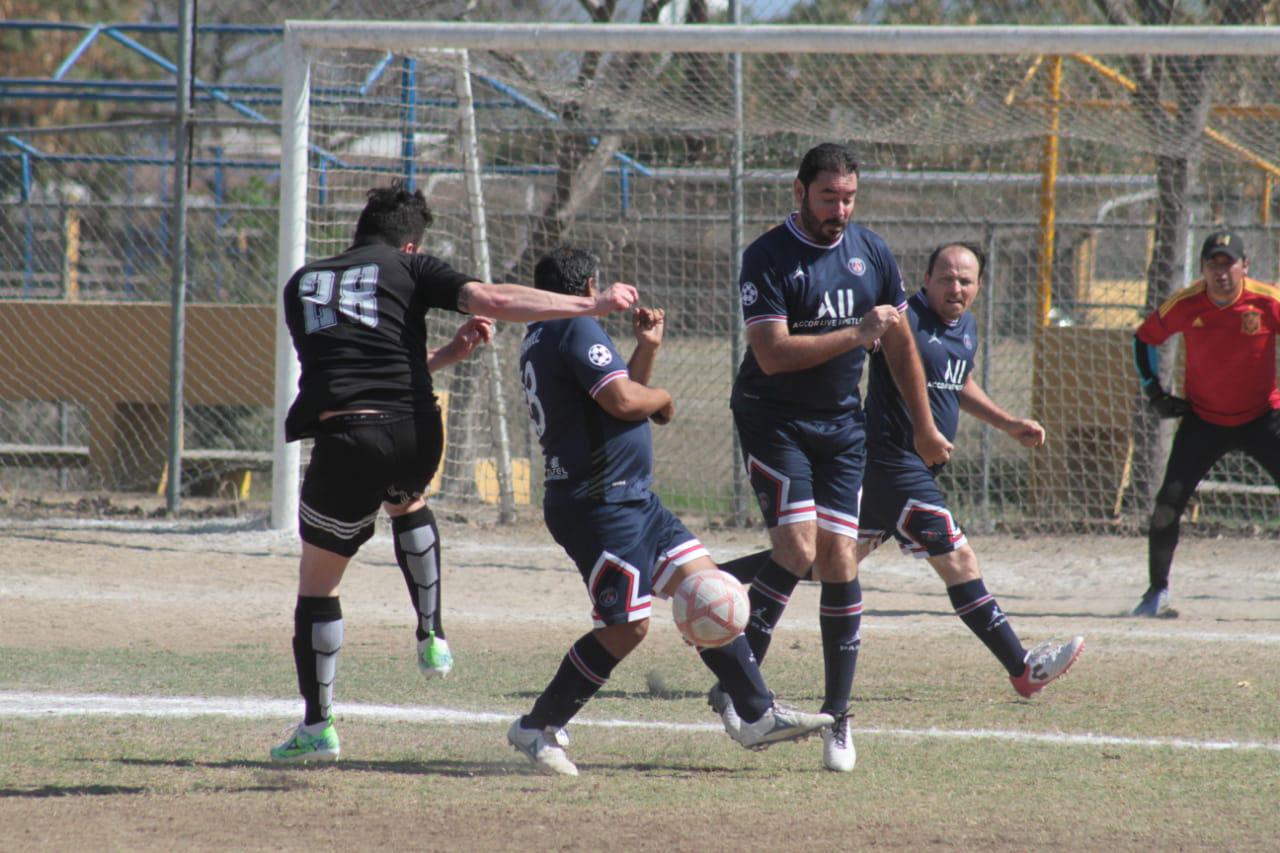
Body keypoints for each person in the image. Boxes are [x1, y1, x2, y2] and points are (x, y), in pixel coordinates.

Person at [270, 181, 639, 763]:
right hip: (415, 433)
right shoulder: (411, 268)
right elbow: (491, 299)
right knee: (406, 500)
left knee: (320, 584)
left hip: (347, 438)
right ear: (412, 244)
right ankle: (432, 633)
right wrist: (589, 305)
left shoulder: (303, 285)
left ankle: (318, 728)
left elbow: (355, 368)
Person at [508, 246, 833, 776]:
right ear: (588, 286)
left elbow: (612, 396)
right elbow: (623, 401)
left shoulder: (544, 333)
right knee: (625, 629)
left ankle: (755, 713)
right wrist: (662, 396)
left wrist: (645, 349)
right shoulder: (573, 326)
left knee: (704, 586)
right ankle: (536, 727)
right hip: (601, 504)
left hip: (631, 497)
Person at [722, 142, 952, 773]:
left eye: (849, 197)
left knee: (839, 559)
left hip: (840, 426)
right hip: (774, 420)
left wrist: (925, 427)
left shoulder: (871, 252)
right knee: (796, 550)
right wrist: (857, 334)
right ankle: (741, 685)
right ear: (799, 193)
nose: (840, 209)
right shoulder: (767, 257)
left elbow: (899, 343)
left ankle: (838, 718)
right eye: (829, 197)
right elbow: (771, 352)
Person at [857, 242, 1083, 694]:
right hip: (893, 464)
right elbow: (880, 349)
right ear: (925, 280)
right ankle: (1023, 667)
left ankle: (716, 590)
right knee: (959, 558)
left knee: (821, 560)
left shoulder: (966, 327)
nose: (954, 287)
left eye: (965, 280)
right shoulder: (904, 321)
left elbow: (957, 380)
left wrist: (1007, 422)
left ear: (980, 286)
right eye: (945, 277)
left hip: (910, 472)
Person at [1131, 229, 1280, 617]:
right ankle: (1157, 592)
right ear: (1202, 269)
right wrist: (1155, 391)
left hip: (1263, 417)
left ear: (1244, 266)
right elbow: (1144, 338)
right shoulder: (1187, 303)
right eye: (1213, 264)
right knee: (1167, 506)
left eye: (1228, 263)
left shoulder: (1267, 301)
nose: (1221, 272)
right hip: (1204, 420)